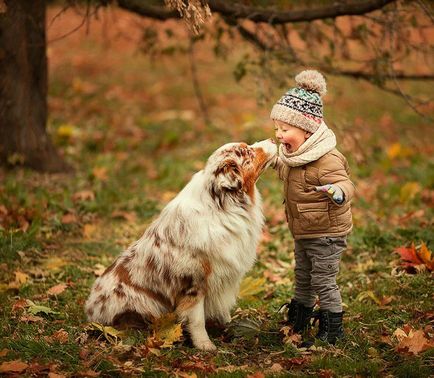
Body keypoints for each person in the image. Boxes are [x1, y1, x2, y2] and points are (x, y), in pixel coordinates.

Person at [270, 70, 355, 346]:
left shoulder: (326, 159)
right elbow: (283, 166)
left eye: (285, 129)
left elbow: (346, 183)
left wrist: (338, 192)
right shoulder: (294, 155)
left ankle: (333, 328)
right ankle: (300, 316)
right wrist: (264, 157)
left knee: (323, 281)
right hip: (305, 231)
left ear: (307, 129)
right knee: (302, 276)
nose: (279, 135)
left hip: (327, 234)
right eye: (277, 128)